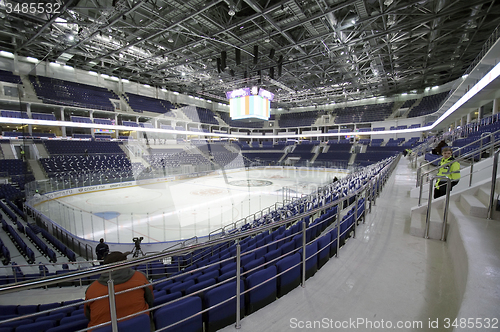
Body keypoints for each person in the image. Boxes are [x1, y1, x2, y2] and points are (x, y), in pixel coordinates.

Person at [84, 251, 154, 330]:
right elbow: (150, 300)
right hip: (139, 327)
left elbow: (88, 315)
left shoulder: (92, 289)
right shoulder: (140, 277)